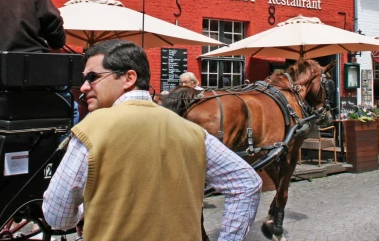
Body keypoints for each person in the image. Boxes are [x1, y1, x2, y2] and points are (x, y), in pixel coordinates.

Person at [42, 39, 262, 241]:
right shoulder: (193, 132)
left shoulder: (92, 129)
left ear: (129, 78)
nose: (84, 87)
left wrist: (80, 214)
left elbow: (56, 217)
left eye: (93, 77)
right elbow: (246, 183)